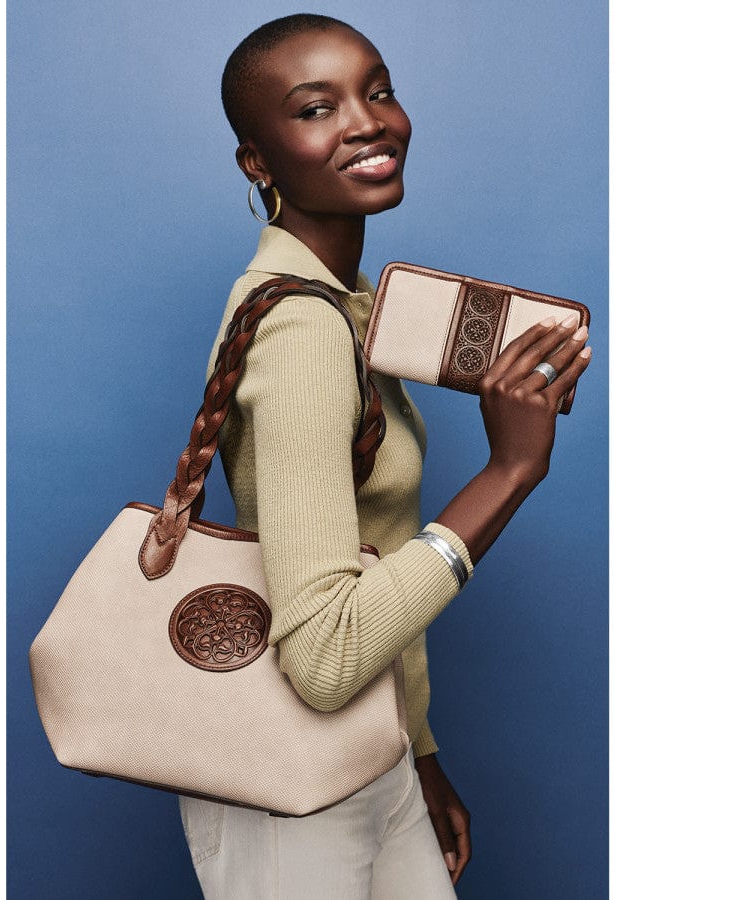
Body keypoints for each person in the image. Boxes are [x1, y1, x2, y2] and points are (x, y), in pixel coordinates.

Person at [178, 14, 591, 899]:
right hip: (290, 784)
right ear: (256, 161)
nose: (368, 122)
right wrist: (508, 473)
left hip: (376, 753)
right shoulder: (299, 329)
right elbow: (324, 658)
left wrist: (418, 753)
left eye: (379, 91)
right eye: (316, 108)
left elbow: (370, 549)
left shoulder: (352, 305)